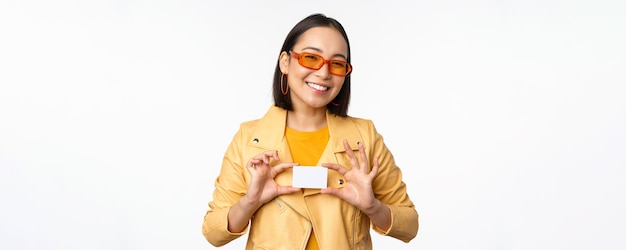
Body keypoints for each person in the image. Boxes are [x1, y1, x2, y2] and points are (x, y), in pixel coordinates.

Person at [201, 13, 418, 250]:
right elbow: (213, 233)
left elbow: (410, 226)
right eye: (311, 58)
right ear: (285, 61)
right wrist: (250, 201)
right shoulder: (249, 139)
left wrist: (372, 207)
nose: (324, 73)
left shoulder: (364, 136)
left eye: (336, 63)